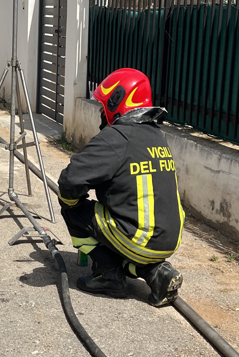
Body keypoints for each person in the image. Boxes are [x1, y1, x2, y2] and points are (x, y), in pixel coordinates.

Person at [57, 68, 184, 304]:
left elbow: (70, 181)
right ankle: (155, 272)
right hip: (169, 239)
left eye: (103, 106)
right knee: (122, 226)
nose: (101, 113)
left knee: (72, 209)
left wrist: (71, 202)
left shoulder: (117, 137)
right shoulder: (157, 136)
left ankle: (109, 276)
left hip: (139, 239)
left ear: (116, 101)